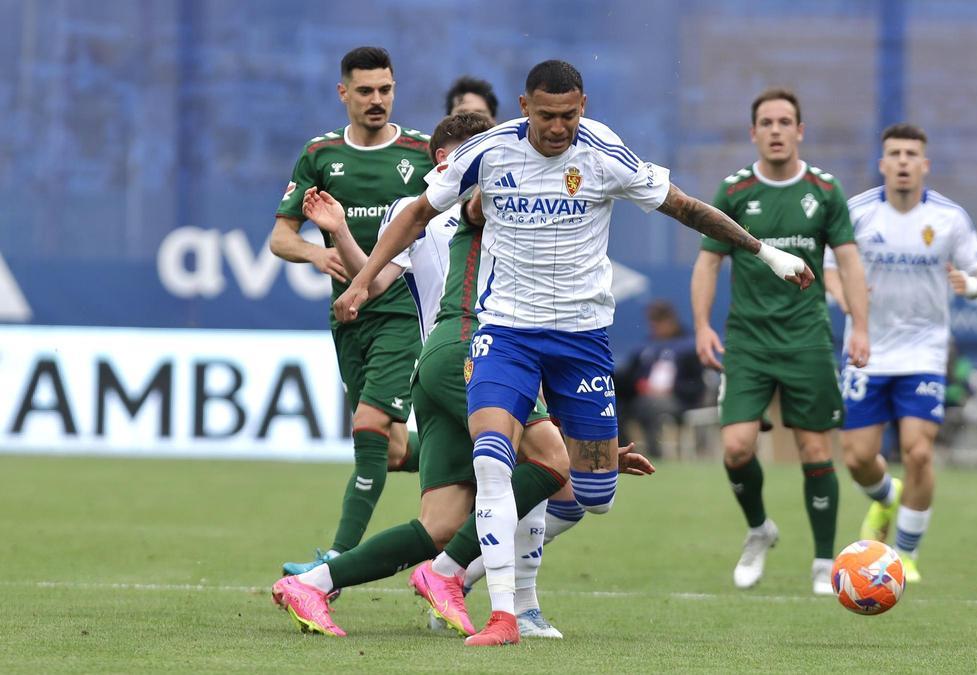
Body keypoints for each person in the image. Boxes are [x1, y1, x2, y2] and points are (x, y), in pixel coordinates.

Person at [334, 60, 816, 646]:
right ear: (524, 107)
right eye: (546, 116)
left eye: (568, 115)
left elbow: (686, 207)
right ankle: (505, 616)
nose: (558, 127)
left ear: (582, 106)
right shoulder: (490, 151)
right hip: (505, 333)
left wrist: (766, 253)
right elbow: (416, 212)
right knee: (493, 461)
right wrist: (363, 281)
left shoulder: (605, 153)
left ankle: (451, 570)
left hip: (581, 341)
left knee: (594, 495)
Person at [270, 112, 656, 641]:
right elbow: (376, 279)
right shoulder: (465, 201)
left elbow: (376, 280)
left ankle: (313, 584)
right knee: (550, 463)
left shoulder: (472, 205)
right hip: (472, 350)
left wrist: (596, 449)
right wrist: (340, 240)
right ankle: (477, 587)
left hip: (444, 363)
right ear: (444, 161)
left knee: (441, 525)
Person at [690, 88, 870, 595]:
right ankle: (759, 529)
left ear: (799, 131)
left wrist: (860, 325)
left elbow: (849, 262)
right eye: (766, 122)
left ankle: (823, 563)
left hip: (806, 339)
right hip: (747, 341)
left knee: (814, 448)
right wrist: (702, 325)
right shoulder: (734, 191)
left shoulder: (824, 191)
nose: (775, 130)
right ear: (753, 133)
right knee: (736, 448)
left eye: (784, 122)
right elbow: (707, 263)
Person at [270, 47, 434, 576]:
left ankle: (334, 566)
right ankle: (478, 461)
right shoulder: (320, 155)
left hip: (402, 313)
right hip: (348, 317)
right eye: (365, 91)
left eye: (385, 89)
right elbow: (280, 237)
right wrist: (315, 253)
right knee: (389, 449)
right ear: (344, 93)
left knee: (368, 426)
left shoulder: (421, 154)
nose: (376, 100)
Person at [825, 122, 977, 583]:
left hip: (924, 350)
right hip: (867, 347)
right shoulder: (858, 212)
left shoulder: (949, 218)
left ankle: (906, 554)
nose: (902, 161)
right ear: (882, 163)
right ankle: (885, 497)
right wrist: (843, 297)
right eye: (894, 154)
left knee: (918, 452)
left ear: (924, 164)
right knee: (857, 457)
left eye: (911, 154)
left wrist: (969, 284)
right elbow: (829, 266)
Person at [615, 299, 707, 457]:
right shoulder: (645, 348)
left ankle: (655, 455)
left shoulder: (689, 347)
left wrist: (672, 390)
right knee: (615, 406)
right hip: (642, 398)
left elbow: (697, 384)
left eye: (660, 321)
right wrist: (637, 385)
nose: (656, 327)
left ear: (671, 321)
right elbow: (627, 378)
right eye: (653, 322)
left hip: (678, 400)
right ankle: (625, 454)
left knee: (653, 406)